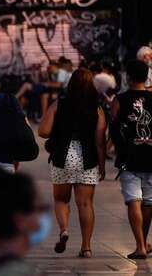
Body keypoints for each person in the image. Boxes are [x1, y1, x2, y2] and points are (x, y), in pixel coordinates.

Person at [38, 68, 106, 258]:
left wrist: (59, 130)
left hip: (62, 157)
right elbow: (100, 141)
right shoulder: (97, 108)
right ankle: (86, 247)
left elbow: (42, 131)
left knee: (61, 199)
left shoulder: (59, 104)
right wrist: (101, 165)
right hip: (88, 158)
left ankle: (64, 229)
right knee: (85, 204)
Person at [110, 59, 152, 260]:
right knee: (148, 202)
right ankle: (144, 242)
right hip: (151, 157)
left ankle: (140, 246)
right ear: (146, 76)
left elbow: (114, 128)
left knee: (133, 201)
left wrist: (120, 148)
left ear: (127, 76)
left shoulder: (120, 99)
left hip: (130, 157)